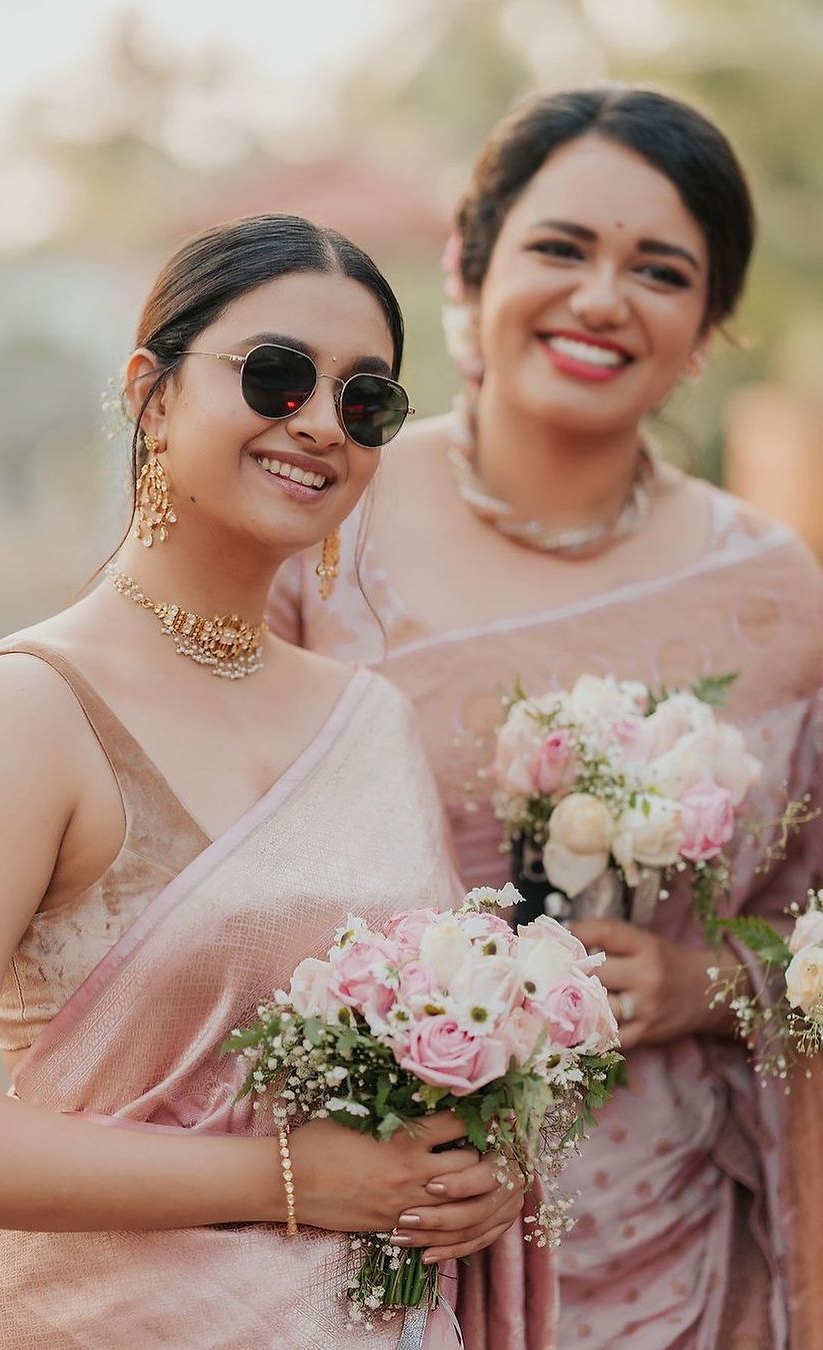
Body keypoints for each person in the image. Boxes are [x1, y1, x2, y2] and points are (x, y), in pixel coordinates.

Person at [0, 214, 551, 1349]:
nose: (319, 422)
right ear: (152, 394)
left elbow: (414, 1074)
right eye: (275, 376)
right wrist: (284, 1180)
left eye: (366, 401)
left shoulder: (370, 722)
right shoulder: (28, 712)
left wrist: (477, 1171)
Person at [269, 90, 823, 1348]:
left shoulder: (774, 591)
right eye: (561, 248)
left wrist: (706, 984)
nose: (602, 298)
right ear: (468, 270)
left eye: (661, 270)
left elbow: (810, 913)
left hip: (680, 1246)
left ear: (709, 326)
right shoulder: (321, 528)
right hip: (377, 1224)